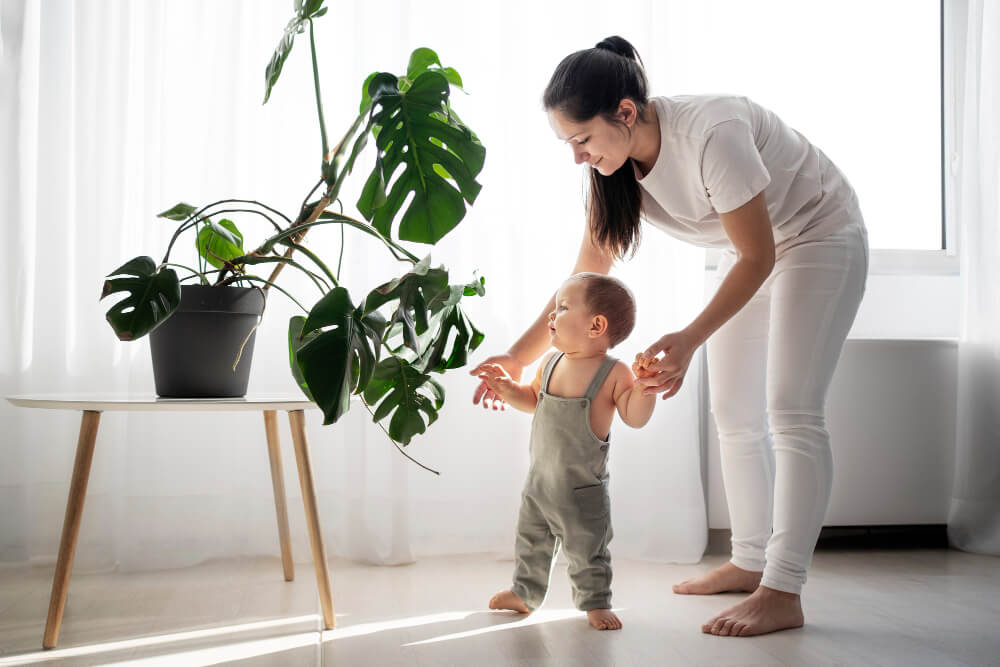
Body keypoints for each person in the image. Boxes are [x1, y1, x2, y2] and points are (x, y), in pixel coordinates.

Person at [470, 36, 869, 637]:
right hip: (745, 254)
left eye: (582, 139)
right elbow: (587, 272)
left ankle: (783, 589)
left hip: (816, 235)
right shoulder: (613, 168)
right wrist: (520, 358)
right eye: (567, 143)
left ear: (625, 112)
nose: (577, 156)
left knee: (791, 410)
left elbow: (759, 256)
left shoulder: (713, 133)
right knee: (733, 413)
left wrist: (688, 336)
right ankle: (748, 560)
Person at [477, 272, 656, 631]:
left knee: (587, 550)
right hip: (539, 483)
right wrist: (507, 388)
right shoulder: (551, 362)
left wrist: (645, 389)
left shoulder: (614, 373)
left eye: (561, 307)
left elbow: (634, 418)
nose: (551, 316)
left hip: (581, 491)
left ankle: (595, 602)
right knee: (530, 543)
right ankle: (524, 594)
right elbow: (533, 401)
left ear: (595, 325)